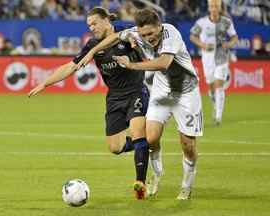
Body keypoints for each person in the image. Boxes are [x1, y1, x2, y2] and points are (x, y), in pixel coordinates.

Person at [77, 8, 203, 200]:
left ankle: (186, 185)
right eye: (144, 34)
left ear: (159, 27)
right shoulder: (135, 32)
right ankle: (156, 174)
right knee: (150, 138)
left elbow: (163, 63)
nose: (148, 38)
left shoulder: (171, 33)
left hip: (186, 93)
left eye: (151, 33)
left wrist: (131, 65)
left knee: (188, 145)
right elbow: (116, 36)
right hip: (161, 92)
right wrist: (92, 51)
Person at [28, 7, 149, 200]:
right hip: (114, 97)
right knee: (115, 148)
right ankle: (143, 145)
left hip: (136, 90)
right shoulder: (92, 45)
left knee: (137, 131)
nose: (91, 27)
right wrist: (45, 83)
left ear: (106, 20)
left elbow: (135, 35)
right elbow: (70, 66)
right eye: (89, 25)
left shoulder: (125, 30)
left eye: (94, 23)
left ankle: (141, 183)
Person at [190, 0, 238, 125]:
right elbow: (192, 36)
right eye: (212, 6)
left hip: (222, 56)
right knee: (211, 86)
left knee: (218, 85)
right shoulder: (202, 22)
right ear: (209, 8)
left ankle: (218, 117)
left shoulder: (227, 22)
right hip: (207, 58)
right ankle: (215, 105)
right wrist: (203, 45)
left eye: (216, 6)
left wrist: (229, 44)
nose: (214, 8)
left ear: (220, 7)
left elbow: (234, 37)